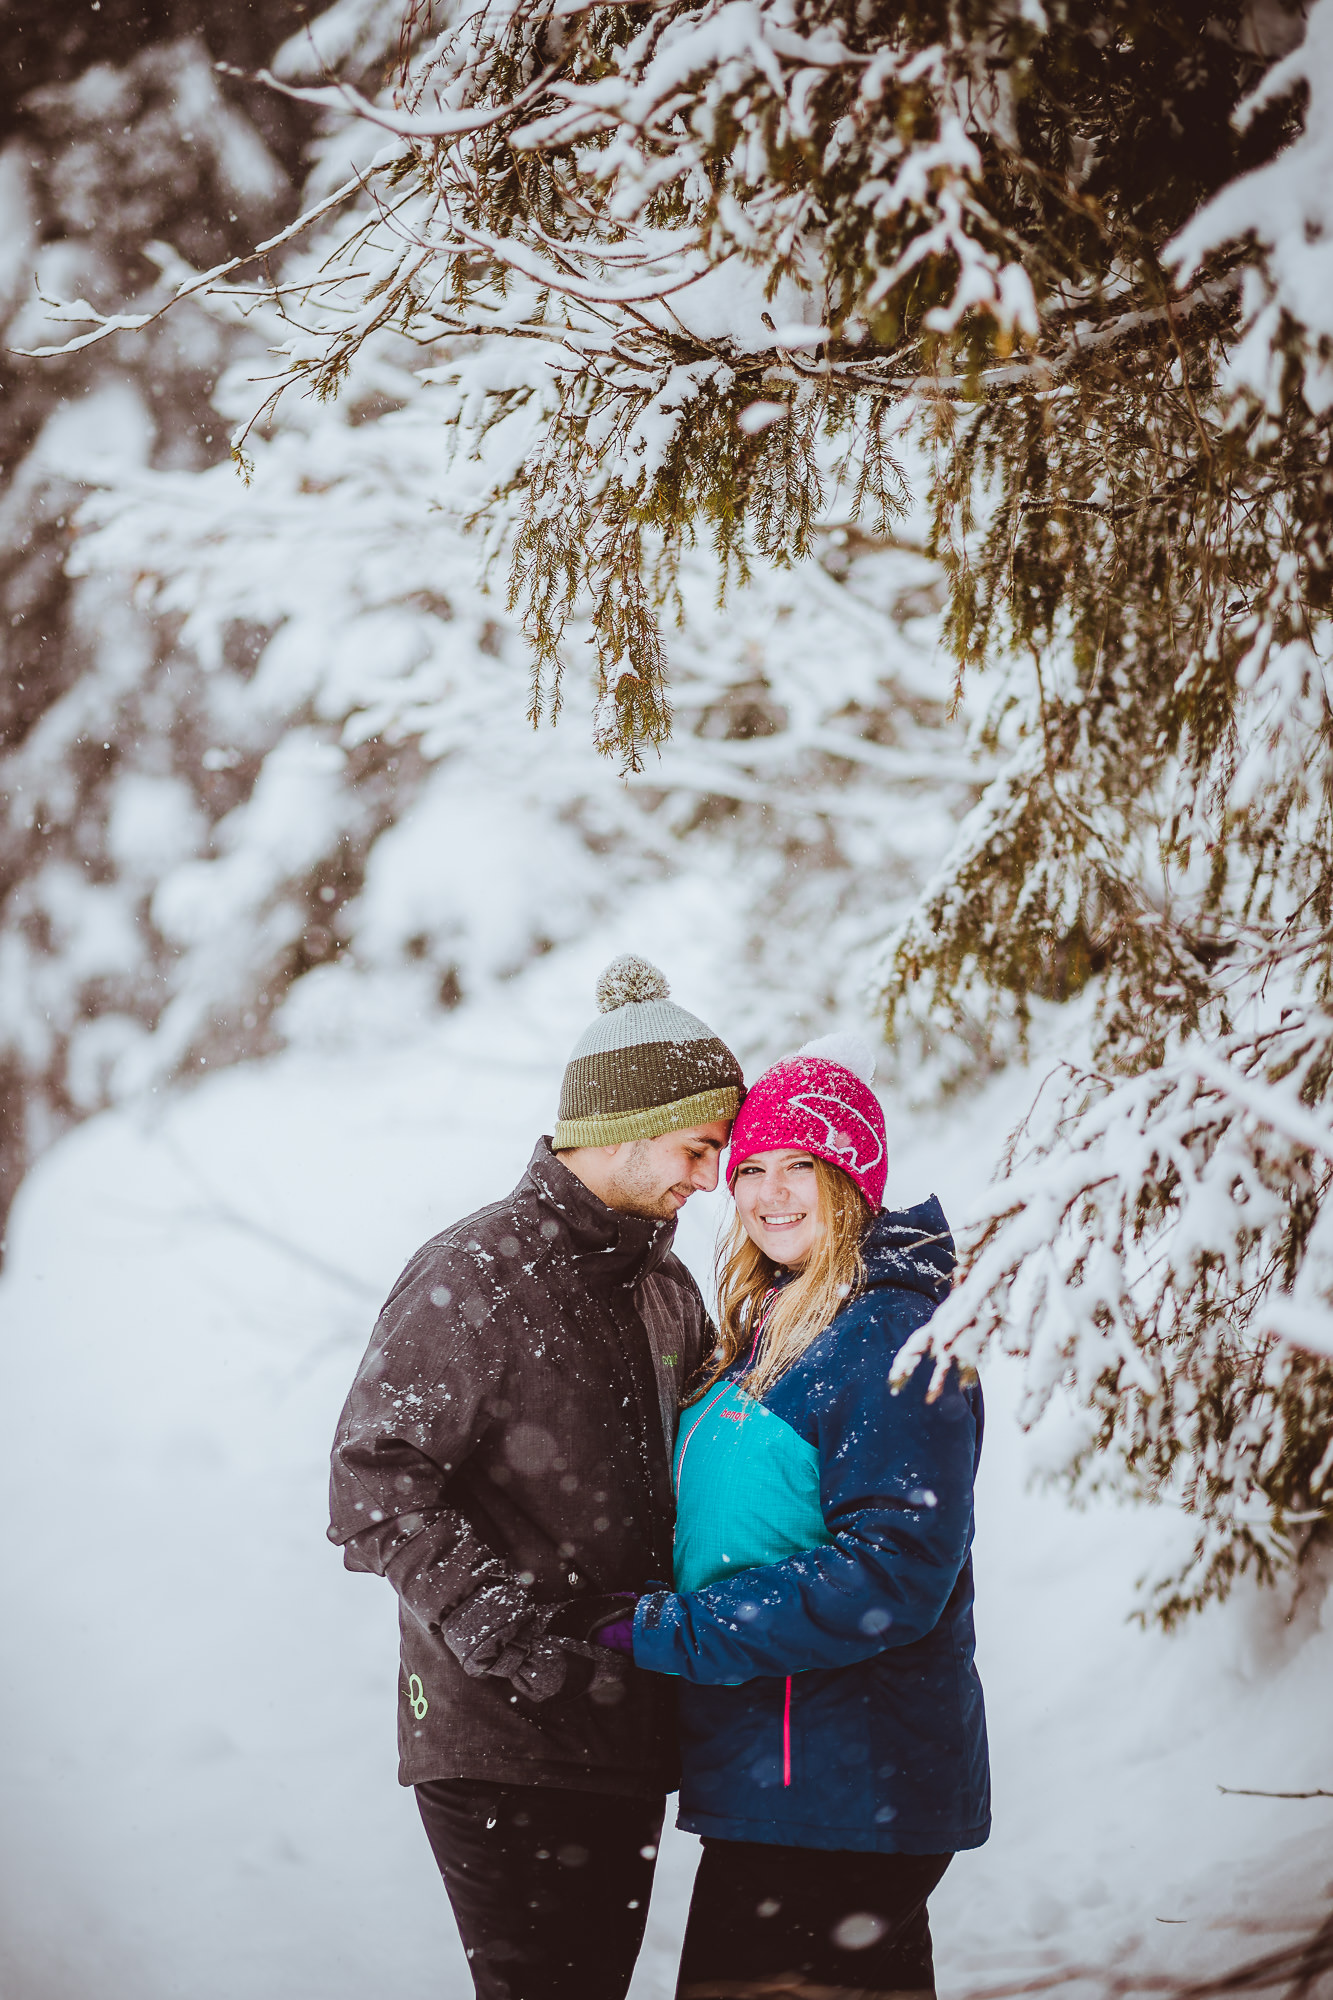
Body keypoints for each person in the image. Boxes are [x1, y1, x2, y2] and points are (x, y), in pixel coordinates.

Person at [328, 955, 745, 2000]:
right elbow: (373, 1482)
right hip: (503, 1738)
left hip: (622, 1727)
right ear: (630, 1123)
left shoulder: (664, 1286)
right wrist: (521, 1649)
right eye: (699, 1147)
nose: (710, 1178)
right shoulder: (473, 1272)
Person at [596, 1035, 990, 2000]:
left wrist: (678, 1630)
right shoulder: (779, 1318)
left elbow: (894, 1571)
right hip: (783, 1775)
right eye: (751, 1169)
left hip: (841, 1783)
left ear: (851, 1178)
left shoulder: (887, 1331)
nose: (769, 1193)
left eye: (799, 1167)